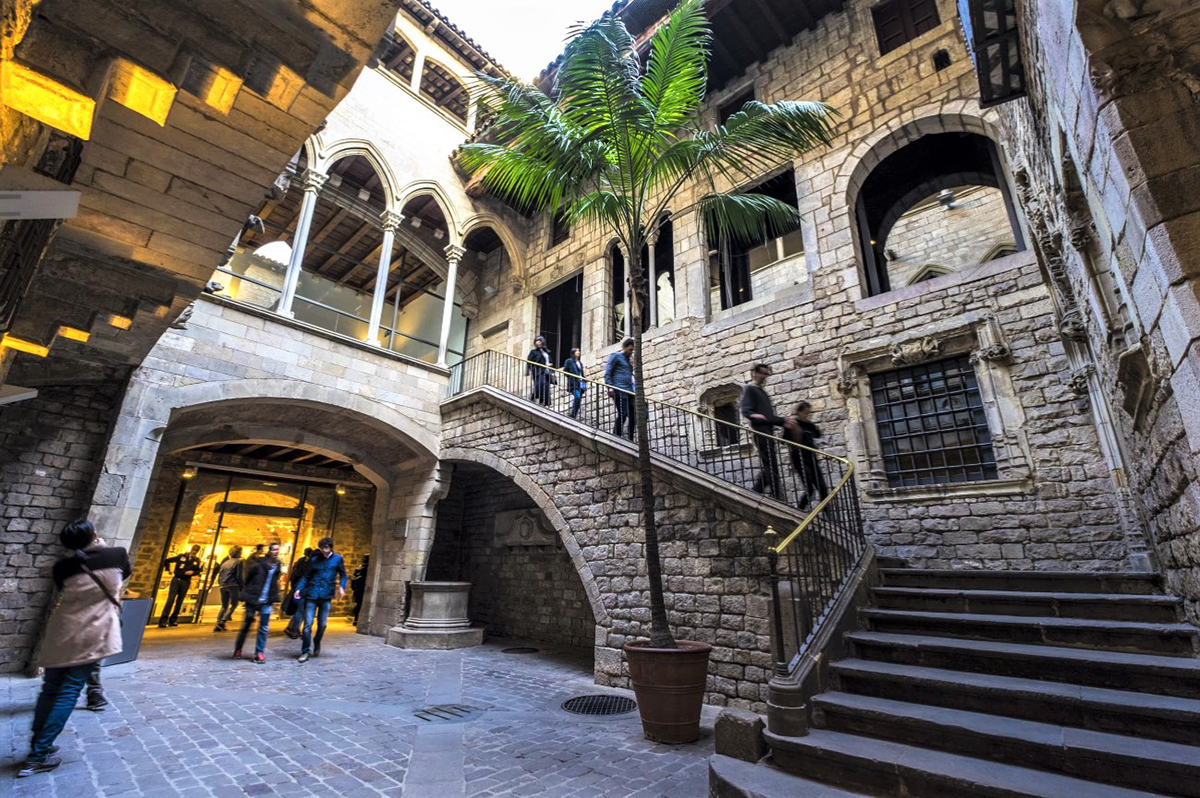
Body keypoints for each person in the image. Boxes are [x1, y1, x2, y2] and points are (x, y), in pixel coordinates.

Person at [19, 520, 130, 777]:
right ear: (94, 534)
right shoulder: (116, 555)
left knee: (50, 688)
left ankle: (39, 747)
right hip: (92, 631)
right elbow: (124, 574)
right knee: (69, 690)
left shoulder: (63, 567)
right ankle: (38, 755)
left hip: (63, 629)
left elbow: (62, 588)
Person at [740, 363, 791, 500]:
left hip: (768, 432)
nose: (764, 376)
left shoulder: (763, 393)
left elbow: (769, 417)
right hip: (761, 432)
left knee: (770, 465)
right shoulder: (751, 389)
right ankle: (776, 496)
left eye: (766, 374)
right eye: (762, 373)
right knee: (770, 464)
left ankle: (757, 492)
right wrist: (753, 415)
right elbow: (745, 409)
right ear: (755, 373)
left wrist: (782, 421)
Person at [294, 536, 346, 663]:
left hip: (326, 596)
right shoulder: (315, 560)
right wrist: (298, 589)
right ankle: (305, 651)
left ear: (331, 547)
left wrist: (342, 587)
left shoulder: (338, 559)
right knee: (307, 625)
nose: (324, 551)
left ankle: (317, 641)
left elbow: (343, 574)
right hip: (312, 595)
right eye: (322, 548)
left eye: (327, 548)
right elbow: (306, 576)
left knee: (322, 624)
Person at [233, 541, 282, 664]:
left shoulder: (277, 565)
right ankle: (238, 648)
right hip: (253, 598)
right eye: (273, 550)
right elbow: (249, 579)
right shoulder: (259, 564)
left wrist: (274, 595)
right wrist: (247, 593)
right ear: (269, 551)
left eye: (277, 550)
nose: (276, 552)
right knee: (247, 625)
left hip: (267, 600)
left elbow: (275, 580)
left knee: (264, 627)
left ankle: (259, 652)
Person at [784, 401, 829, 508]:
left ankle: (828, 515)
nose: (807, 415)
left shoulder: (809, 424)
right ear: (799, 412)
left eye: (809, 413)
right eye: (805, 413)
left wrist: (811, 427)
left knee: (822, 488)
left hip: (811, 458)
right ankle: (799, 510)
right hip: (799, 458)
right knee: (810, 489)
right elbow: (784, 440)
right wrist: (788, 428)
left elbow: (818, 434)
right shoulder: (793, 423)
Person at [157, 544, 202, 627]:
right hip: (177, 579)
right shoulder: (182, 556)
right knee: (170, 600)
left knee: (180, 601)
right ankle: (163, 620)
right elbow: (167, 560)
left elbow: (199, 571)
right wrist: (168, 570)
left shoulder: (197, 560)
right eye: (193, 550)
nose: (194, 552)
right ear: (191, 549)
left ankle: (173, 620)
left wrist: (193, 572)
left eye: (196, 551)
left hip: (186, 581)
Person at [605, 337, 635, 440]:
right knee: (623, 414)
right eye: (630, 349)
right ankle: (616, 435)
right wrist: (610, 386)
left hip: (629, 391)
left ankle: (630, 438)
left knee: (633, 415)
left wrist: (633, 365)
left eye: (632, 350)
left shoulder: (629, 361)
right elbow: (608, 372)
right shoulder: (616, 356)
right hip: (619, 390)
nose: (631, 352)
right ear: (624, 348)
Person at [283, 548, 315, 639]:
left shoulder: (300, 562)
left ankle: (292, 627)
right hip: (304, 589)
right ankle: (295, 630)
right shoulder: (309, 564)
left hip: (297, 587)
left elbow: (294, 575)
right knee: (302, 610)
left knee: (300, 610)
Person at [212, 546, 243, 632]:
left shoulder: (225, 563)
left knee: (224, 605)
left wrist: (221, 584)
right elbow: (239, 576)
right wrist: (242, 586)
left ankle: (218, 622)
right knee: (234, 604)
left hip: (223, 585)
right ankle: (222, 621)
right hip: (233, 585)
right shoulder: (238, 562)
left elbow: (220, 575)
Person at [527, 335, 554, 407]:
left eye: (539, 341)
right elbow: (529, 361)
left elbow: (550, 361)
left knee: (546, 386)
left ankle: (543, 402)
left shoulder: (546, 352)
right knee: (539, 384)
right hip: (538, 370)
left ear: (542, 341)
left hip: (547, 371)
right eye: (536, 341)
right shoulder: (533, 352)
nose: (537, 343)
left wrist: (549, 366)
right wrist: (528, 370)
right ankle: (533, 397)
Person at [563, 348, 586, 419]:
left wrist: (584, 380)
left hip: (580, 384)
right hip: (574, 384)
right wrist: (571, 377)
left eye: (579, 351)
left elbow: (581, 373)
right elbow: (565, 371)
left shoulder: (580, 363)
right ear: (573, 352)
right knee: (577, 397)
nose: (578, 352)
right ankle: (572, 415)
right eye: (577, 351)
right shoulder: (569, 361)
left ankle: (574, 415)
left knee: (579, 401)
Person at [350, 554, 370, 626]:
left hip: (359, 590)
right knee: (359, 605)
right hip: (361, 590)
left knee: (359, 605)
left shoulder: (360, 569)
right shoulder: (364, 569)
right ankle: (357, 619)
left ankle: (356, 619)